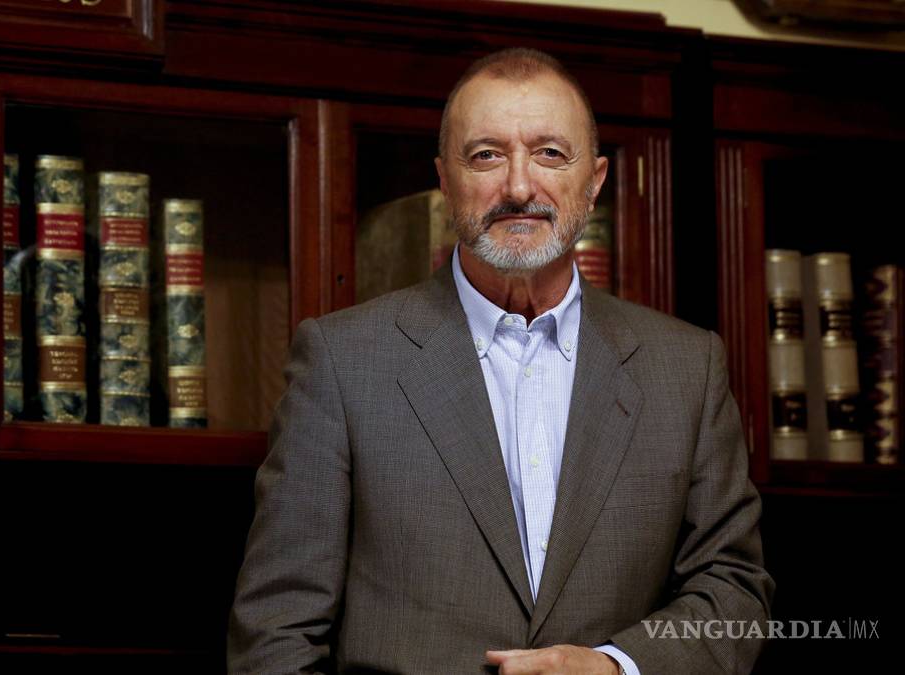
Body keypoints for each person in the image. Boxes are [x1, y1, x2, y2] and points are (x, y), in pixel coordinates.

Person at [228, 48, 774, 674]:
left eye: (550, 153)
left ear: (594, 180)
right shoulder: (342, 362)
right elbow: (278, 632)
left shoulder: (687, 369)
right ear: (445, 179)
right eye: (486, 155)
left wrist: (615, 666)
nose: (518, 187)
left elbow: (735, 590)